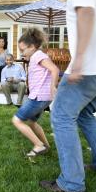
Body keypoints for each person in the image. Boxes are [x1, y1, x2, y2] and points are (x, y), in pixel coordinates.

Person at [40, 0, 96, 192]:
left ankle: (71, 183)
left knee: (60, 114)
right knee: (85, 113)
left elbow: (86, 12)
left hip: (92, 66)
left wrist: (78, 59)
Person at [12, 28, 59, 157]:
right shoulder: (35, 56)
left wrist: (53, 87)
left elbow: (54, 69)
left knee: (17, 120)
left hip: (38, 98)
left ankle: (38, 145)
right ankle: (46, 146)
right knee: (32, 122)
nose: (22, 53)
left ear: (32, 46)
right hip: (43, 98)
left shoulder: (38, 55)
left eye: (23, 50)